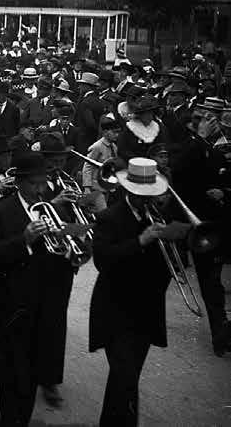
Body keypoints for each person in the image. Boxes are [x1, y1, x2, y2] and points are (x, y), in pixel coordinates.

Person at [0, 150, 78, 426]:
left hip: (45, 303)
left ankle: (19, 418)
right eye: (33, 183)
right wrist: (24, 240)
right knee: (13, 375)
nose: (39, 189)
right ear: (19, 183)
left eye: (42, 183)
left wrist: (75, 249)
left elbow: (66, 252)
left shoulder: (53, 208)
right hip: (12, 305)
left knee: (33, 373)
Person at [89, 158, 191, 426]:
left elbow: (169, 266)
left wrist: (175, 242)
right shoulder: (109, 217)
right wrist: (140, 241)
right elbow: (102, 260)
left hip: (145, 312)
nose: (149, 200)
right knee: (124, 377)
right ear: (128, 191)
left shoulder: (160, 217)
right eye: (143, 195)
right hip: (115, 311)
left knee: (128, 379)